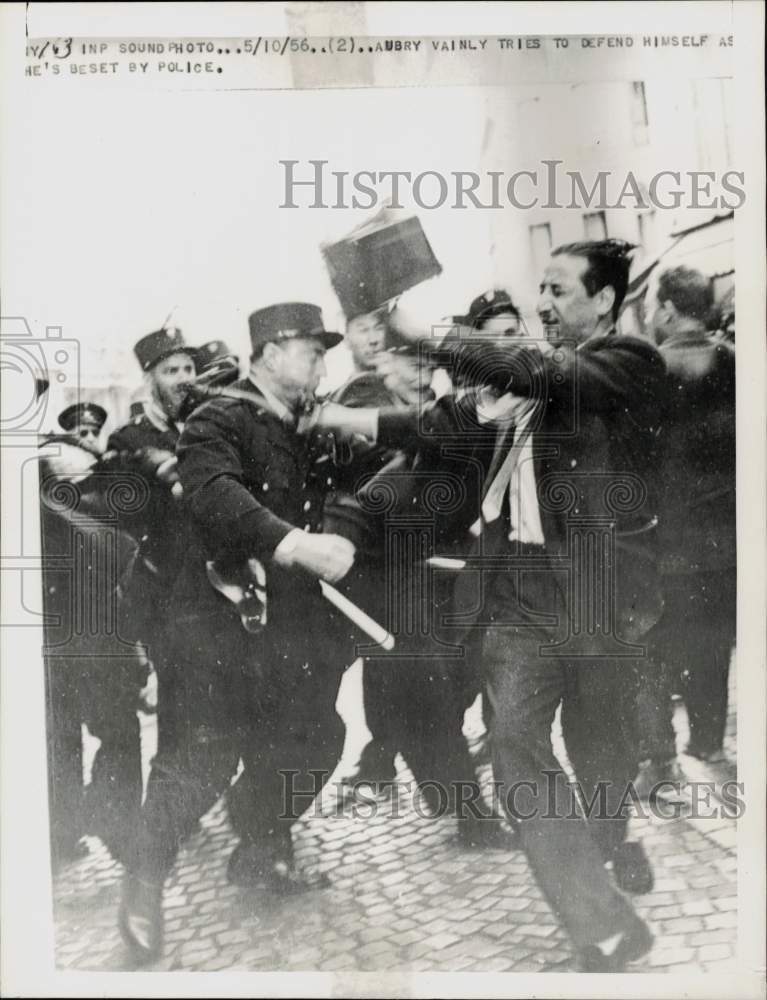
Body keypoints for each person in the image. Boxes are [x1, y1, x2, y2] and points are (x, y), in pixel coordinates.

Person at [440, 240, 665, 969]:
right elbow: (445, 425)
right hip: (518, 595)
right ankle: (599, 922)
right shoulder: (532, 384)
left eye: (559, 289)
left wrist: (437, 336)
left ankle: (605, 842)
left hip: (598, 595)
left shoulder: (628, 363)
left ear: (602, 300)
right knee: (514, 745)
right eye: (539, 286)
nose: (543, 302)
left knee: (603, 751)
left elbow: (560, 371)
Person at [118, 303, 358, 963]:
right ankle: (141, 884)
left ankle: (256, 842)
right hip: (216, 616)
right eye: (311, 351)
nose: (319, 364)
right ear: (272, 353)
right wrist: (292, 544)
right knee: (201, 761)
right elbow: (214, 492)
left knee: (316, 738)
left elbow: (340, 491)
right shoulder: (220, 419)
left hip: (289, 623)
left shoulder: (310, 426)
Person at [637, 266, 735, 784]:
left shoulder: (652, 368)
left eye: (654, 308)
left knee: (654, 651)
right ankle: (710, 745)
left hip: (666, 544)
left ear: (669, 310)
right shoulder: (736, 361)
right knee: (713, 647)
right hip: (728, 545)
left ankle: (661, 762)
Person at [105, 327, 198, 751]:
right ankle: (177, 808)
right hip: (167, 593)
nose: (183, 377)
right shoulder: (129, 439)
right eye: (170, 369)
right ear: (150, 380)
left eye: (188, 367)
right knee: (180, 705)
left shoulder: (208, 427)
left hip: (218, 587)